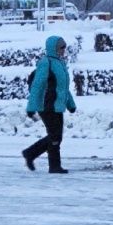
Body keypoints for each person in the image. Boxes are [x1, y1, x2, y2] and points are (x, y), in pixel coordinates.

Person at [22, 35, 77, 174]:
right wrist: (31, 107)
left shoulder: (60, 63)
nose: (63, 50)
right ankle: (33, 155)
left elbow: (63, 87)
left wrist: (70, 104)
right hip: (46, 104)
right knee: (55, 136)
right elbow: (37, 85)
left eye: (64, 47)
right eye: (61, 47)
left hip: (57, 105)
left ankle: (52, 165)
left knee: (56, 136)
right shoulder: (46, 62)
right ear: (53, 48)